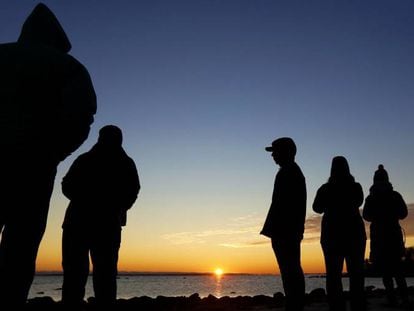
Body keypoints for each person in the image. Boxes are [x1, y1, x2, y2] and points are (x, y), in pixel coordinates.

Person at [0, 3, 96, 306]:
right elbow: (83, 116)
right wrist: (52, 152)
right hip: (34, 169)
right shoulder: (69, 66)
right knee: (21, 247)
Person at [61, 125, 140, 307]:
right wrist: (115, 206)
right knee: (89, 274)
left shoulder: (91, 160)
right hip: (87, 224)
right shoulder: (120, 162)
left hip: (92, 224)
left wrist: (117, 207)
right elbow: (66, 184)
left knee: (97, 274)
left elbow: (133, 190)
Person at [313, 156, 366, 311]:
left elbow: (317, 208)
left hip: (332, 236)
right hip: (354, 234)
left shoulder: (325, 188)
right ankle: (358, 306)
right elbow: (359, 201)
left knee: (333, 275)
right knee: (356, 274)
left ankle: (337, 307)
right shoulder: (356, 187)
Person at [261, 137, 306, 311]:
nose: (273, 155)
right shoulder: (289, 171)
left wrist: (279, 229)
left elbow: (285, 205)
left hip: (285, 231)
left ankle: (294, 305)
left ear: (286, 152)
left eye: (275, 151)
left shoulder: (289, 172)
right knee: (290, 270)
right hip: (286, 230)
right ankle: (294, 304)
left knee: (290, 271)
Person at [363, 165, 410, 307]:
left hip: (379, 238)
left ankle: (392, 299)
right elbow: (404, 213)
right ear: (387, 179)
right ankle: (405, 299)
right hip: (394, 236)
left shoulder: (371, 198)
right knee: (398, 271)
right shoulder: (395, 195)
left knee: (386, 272)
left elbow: (366, 216)